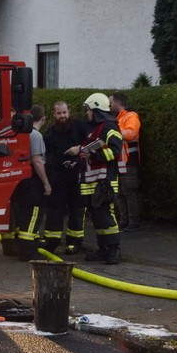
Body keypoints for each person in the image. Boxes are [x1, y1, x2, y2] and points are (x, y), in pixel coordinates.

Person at [66, 93, 123, 264]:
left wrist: (94, 154)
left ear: (96, 109)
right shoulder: (94, 130)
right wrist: (76, 161)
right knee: (98, 218)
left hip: (104, 182)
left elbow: (115, 150)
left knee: (106, 217)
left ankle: (114, 251)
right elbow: (88, 154)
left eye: (89, 110)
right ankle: (103, 250)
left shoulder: (109, 127)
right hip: (92, 182)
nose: (87, 113)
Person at [42, 100, 90, 254]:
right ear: (54, 115)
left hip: (77, 174)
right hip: (58, 175)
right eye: (59, 113)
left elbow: (92, 142)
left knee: (77, 208)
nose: (62, 116)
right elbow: (46, 154)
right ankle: (51, 240)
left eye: (64, 112)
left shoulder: (80, 127)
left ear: (69, 112)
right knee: (54, 208)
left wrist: (80, 149)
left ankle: (74, 242)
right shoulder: (50, 133)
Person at [11, 104, 52, 261]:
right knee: (34, 214)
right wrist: (46, 183)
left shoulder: (21, 133)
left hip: (22, 180)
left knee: (23, 215)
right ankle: (28, 251)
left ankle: (23, 246)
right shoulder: (36, 136)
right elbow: (37, 161)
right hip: (34, 182)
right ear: (43, 118)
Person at [109, 92, 141, 232]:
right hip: (119, 161)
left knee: (128, 191)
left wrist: (112, 133)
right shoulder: (116, 118)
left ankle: (133, 222)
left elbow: (131, 134)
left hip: (129, 160)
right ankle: (124, 220)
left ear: (117, 102)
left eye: (110, 102)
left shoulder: (131, 116)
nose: (108, 105)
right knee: (120, 192)